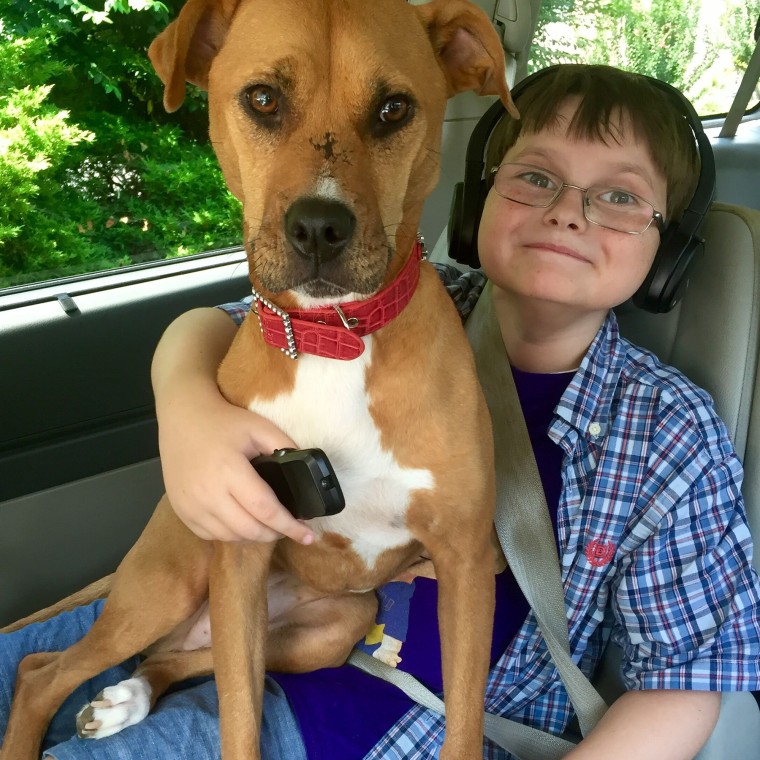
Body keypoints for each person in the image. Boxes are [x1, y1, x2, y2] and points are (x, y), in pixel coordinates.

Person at [2, 63, 760, 760]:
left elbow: (688, 677)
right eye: (535, 177)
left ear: (671, 254)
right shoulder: (401, 299)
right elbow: (218, 326)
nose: (569, 213)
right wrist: (187, 407)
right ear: (475, 202)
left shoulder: (671, 434)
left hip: (395, 719)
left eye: (619, 197)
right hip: (251, 607)